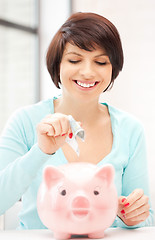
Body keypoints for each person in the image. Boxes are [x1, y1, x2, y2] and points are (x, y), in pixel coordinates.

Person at [0, 12, 154, 230]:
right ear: (58, 64)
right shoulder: (24, 121)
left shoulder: (130, 129)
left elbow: (146, 218)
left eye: (101, 62)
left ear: (113, 68)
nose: (88, 72)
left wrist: (130, 216)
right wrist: (41, 151)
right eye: (74, 60)